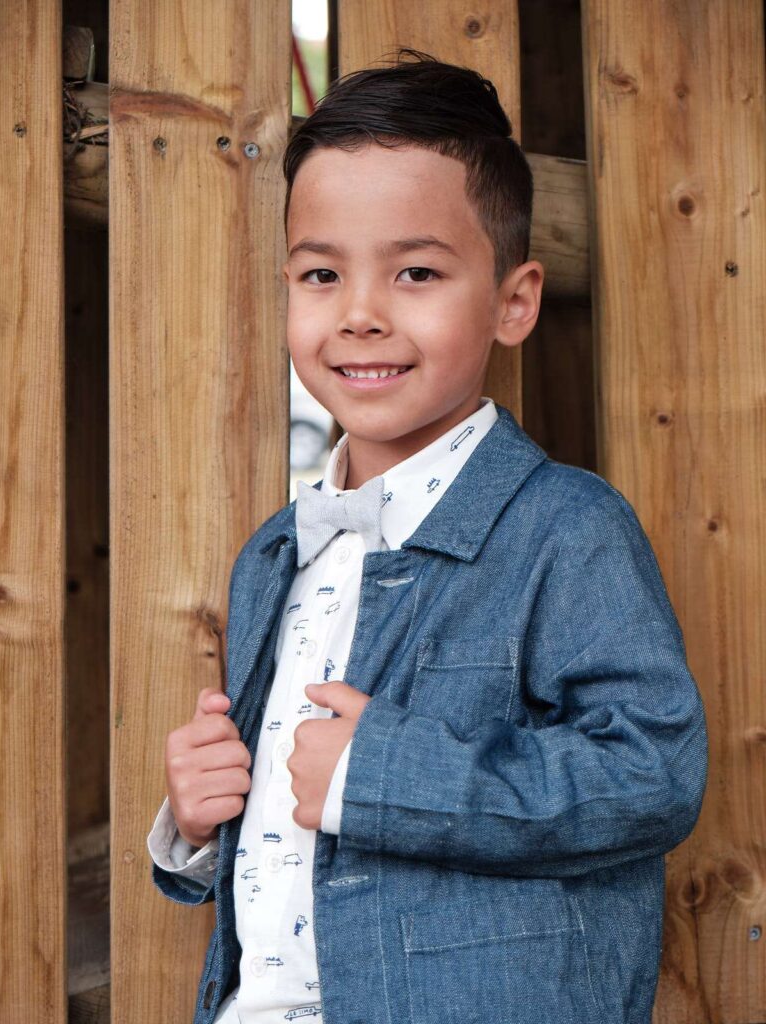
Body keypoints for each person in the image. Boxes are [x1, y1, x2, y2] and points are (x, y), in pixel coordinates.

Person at [148, 48, 708, 1024]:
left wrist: (383, 773)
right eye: (322, 273)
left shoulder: (565, 529)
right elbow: (291, 829)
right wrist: (198, 822)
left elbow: (651, 776)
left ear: (513, 301)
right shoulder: (274, 555)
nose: (360, 314)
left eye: (415, 272)